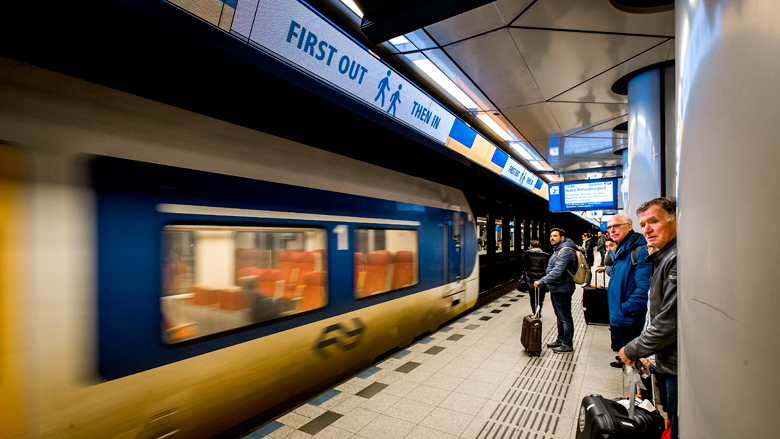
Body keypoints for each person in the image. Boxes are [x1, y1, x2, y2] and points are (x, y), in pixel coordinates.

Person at [620, 196, 678, 439]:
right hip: (668, 359)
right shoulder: (664, 256)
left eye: (654, 221)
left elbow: (669, 322)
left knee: (678, 424)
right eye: (643, 224)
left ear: (675, 219)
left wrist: (633, 349)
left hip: (679, 364)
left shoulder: (675, 258)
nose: (647, 229)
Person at [596, 214, 651, 373]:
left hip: (630, 316)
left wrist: (626, 308)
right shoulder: (622, 249)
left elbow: (644, 289)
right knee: (626, 352)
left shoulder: (639, 251)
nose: (612, 230)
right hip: (621, 314)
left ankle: (637, 395)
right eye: (609, 228)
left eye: (617, 226)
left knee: (635, 362)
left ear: (629, 226)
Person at [534, 228, 578, 353]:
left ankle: (567, 344)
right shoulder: (559, 249)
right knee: (560, 316)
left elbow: (558, 271)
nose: (551, 238)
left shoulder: (565, 251)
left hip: (563, 288)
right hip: (557, 287)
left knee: (565, 317)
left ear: (562, 237)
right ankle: (561, 339)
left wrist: (542, 281)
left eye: (555, 236)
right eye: (551, 236)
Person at [522, 239, 550, 317]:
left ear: (530, 246)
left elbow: (523, 264)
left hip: (530, 279)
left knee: (532, 297)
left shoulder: (527, 254)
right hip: (541, 279)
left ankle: (535, 312)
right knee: (540, 297)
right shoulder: (546, 255)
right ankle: (539, 311)